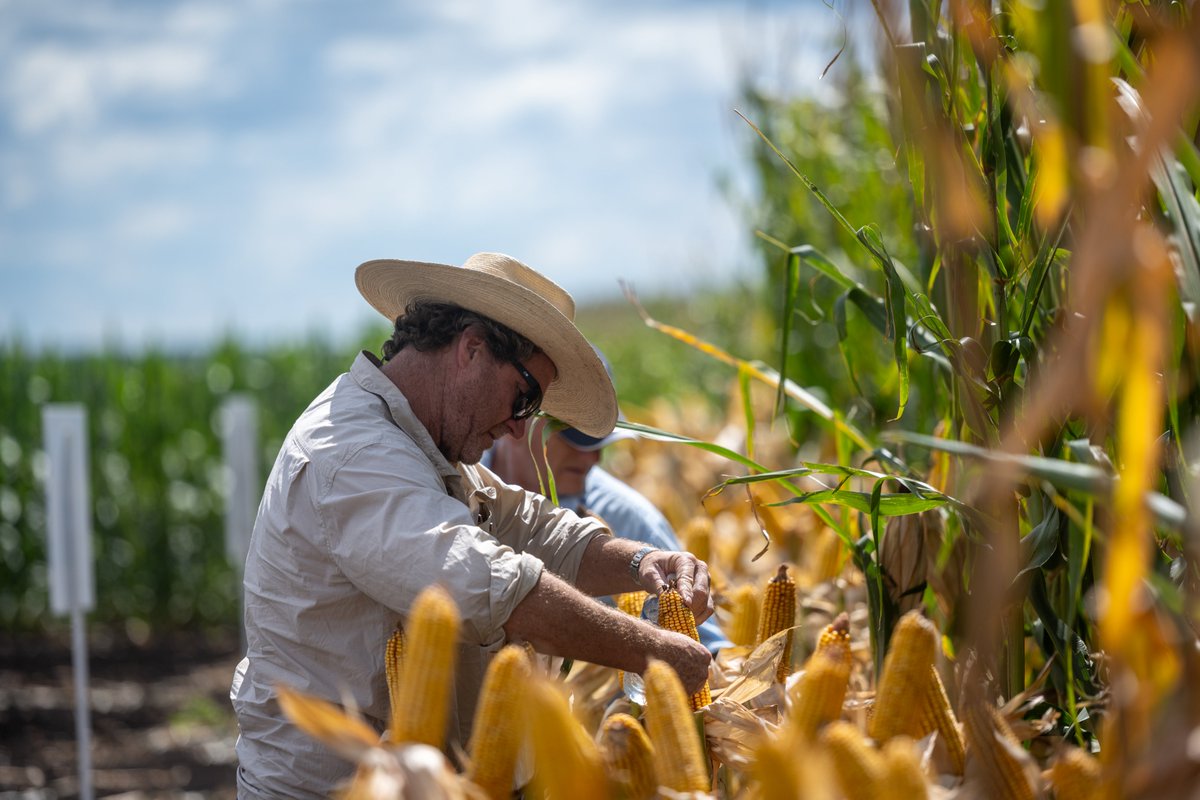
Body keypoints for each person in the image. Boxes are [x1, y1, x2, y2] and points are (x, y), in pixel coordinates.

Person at [230, 252, 713, 799]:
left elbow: (534, 528)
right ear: (472, 349)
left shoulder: (425, 449)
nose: (516, 427)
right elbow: (486, 586)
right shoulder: (352, 453)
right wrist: (657, 653)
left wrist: (642, 562)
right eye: (524, 396)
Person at [484, 353, 731, 654]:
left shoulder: (629, 520)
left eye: (600, 442)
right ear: (521, 418)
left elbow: (709, 650)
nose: (593, 458)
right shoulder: (455, 483)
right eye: (574, 439)